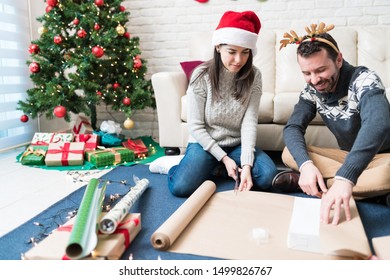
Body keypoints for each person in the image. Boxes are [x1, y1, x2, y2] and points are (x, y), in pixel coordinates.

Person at [272, 22, 390, 225]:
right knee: (289, 153)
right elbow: (293, 127)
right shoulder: (311, 90)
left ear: (339, 59)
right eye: (307, 73)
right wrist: (307, 166)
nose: (314, 80)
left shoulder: (364, 80)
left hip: (383, 157)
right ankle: (369, 191)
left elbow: (378, 123)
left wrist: (345, 178)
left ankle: (322, 184)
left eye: (321, 70)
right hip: (347, 157)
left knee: (385, 175)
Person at [167, 10, 278, 197]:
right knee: (181, 187)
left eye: (245, 52)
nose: (238, 60)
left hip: (236, 144)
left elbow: (249, 123)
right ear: (218, 47)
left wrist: (247, 165)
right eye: (232, 52)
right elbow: (195, 126)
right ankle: (187, 166)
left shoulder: (254, 76)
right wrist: (224, 158)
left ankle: (217, 168)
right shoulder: (201, 76)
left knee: (267, 177)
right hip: (204, 144)